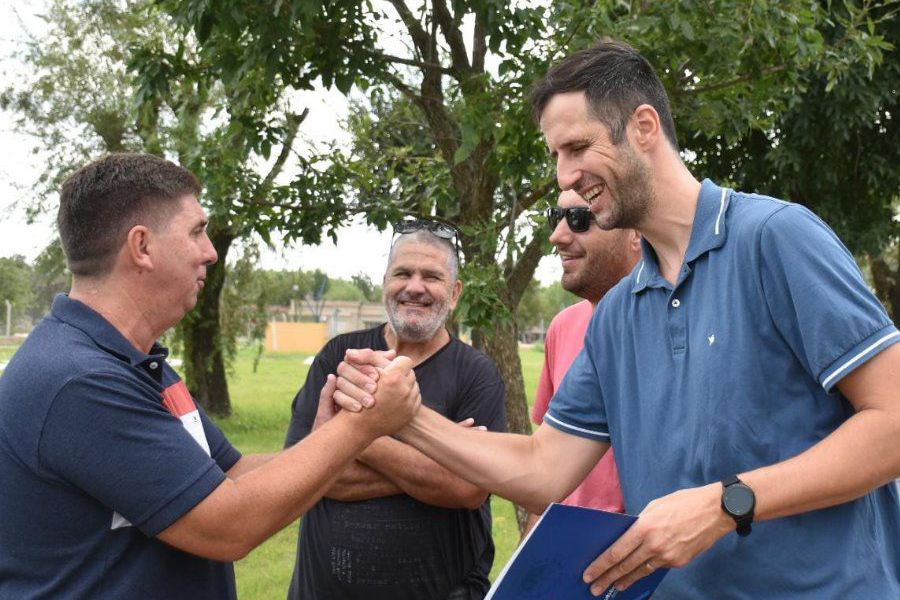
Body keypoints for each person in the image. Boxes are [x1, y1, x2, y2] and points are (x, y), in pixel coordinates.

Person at [334, 41, 900, 598]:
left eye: (578, 147)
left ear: (644, 128)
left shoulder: (776, 239)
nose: (564, 177)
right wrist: (404, 416)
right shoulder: (617, 316)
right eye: (556, 155)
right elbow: (543, 466)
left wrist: (727, 503)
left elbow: (893, 421)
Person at [0, 153, 419, 599]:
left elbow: (232, 472)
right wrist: (361, 426)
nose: (211, 252)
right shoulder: (80, 381)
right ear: (142, 247)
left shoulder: (138, 366)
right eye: (196, 231)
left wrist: (328, 435)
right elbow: (227, 526)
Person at [284, 220, 506, 600]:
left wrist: (350, 436)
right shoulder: (340, 356)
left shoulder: (477, 374)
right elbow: (300, 473)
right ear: (386, 282)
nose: (414, 286)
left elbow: (470, 489)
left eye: (431, 276)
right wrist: (441, 460)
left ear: (454, 293)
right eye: (403, 273)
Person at [523, 191, 642, 535]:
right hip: (567, 550)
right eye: (554, 217)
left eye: (578, 218)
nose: (557, 235)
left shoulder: (680, 324)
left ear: (636, 232)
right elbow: (545, 464)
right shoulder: (562, 327)